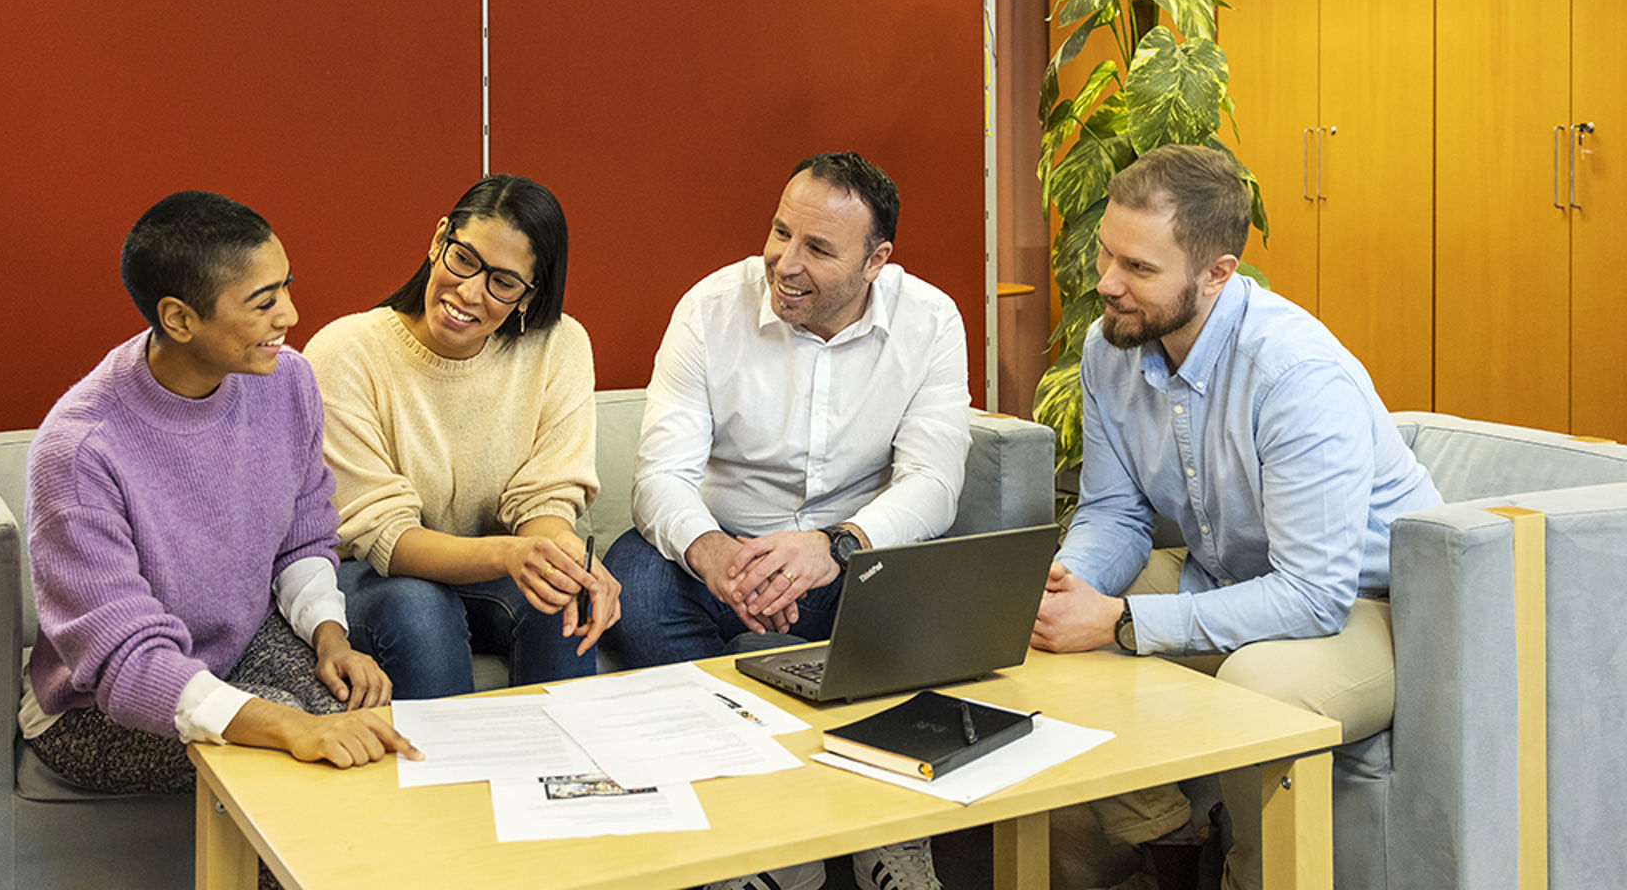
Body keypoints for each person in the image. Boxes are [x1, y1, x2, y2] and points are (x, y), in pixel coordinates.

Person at [1029, 144, 1441, 890]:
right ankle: (1171, 844)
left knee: (1259, 683)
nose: (1107, 285)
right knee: (1050, 632)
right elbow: (1116, 513)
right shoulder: (1109, 346)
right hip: (1228, 573)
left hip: (1369, 607)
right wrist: (1071, 584)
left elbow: (1314, 595)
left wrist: (1123, 620)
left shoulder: (1295, 376)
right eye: (1105, 255)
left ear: (1219, 273)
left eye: (1139, 269)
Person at [603, 151, 969, 890]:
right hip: (720, 554)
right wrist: (714, 555)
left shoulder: (930, 320)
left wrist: (837, 546)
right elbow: (661, 477)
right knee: (634, 584)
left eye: (818, 248)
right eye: (779, 232)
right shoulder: (710, 308)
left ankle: (890, 832)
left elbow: (933, 481)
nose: (784, 263)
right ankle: (752, 825)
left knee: (929, 590)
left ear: (877, 260)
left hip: (849, 558)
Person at [21, 191, 418, 812]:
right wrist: (290, 729)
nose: (289, 314)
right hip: (93, 707)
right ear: (179, 319)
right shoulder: (78, 452)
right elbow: (127, 665)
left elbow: (304, 536)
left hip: (238, 648)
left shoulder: (287, 380)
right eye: (263, 302)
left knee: (361, 729)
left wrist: (330, 638)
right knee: (291, 769)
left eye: (286, 286)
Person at [303, 174, 619, 700]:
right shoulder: (346, 353)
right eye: (463, 259)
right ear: (438, 239)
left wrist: (565, 557)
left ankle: (561, 772)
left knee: (564, 593)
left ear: (528, 295)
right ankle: (442, 781)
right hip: (374, 577)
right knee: (421, 609)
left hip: (493, 566)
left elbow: (544, 499)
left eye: (503, 282)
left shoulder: (558, 345)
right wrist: (511, 556)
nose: (470, 292)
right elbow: (385, 537)